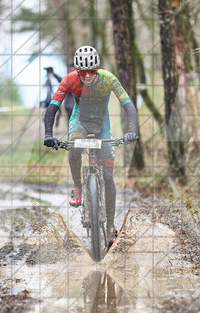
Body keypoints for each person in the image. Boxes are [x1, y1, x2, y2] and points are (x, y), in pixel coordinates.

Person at [44, 46, 138, 244]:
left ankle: (110, 226)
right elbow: (53, 106)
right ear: (77, 70)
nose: (87, 76)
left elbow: (128, 104)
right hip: (80, 121)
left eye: (91, 71)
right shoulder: (69, 79)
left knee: (108, 176)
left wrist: (132, 130)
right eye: (83, 72)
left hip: (102, 124)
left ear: (97, 69)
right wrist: (48, 134)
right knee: (74, 146)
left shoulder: (108, 78)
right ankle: (78, 188)